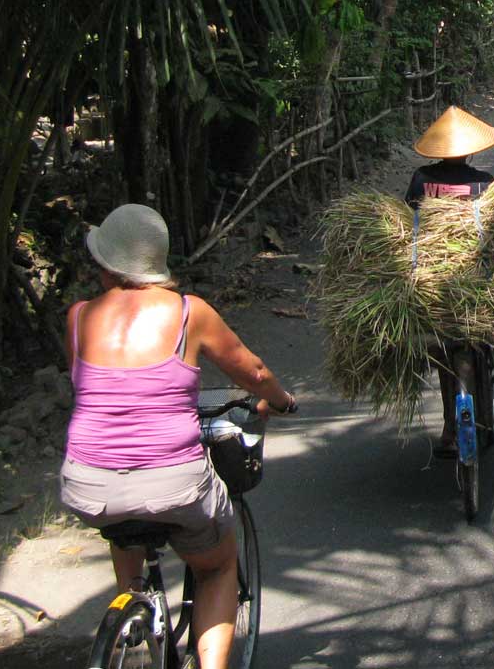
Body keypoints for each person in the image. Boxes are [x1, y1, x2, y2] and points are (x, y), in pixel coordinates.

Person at [61, 203, 298, 669]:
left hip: (85, 481)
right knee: (216, 567)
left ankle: (131, 608)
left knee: (121, 510)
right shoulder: (190, 313)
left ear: (107, 265)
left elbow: (102, 391)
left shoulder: (78, 317)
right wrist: (284, 401)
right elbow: (252, 371)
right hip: (172, 480)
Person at [405, 107, 494, 457]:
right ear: (470, 150)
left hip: (430, 273)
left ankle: (448, 428)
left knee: (445, 350)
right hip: (476, 275)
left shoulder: (419, 179)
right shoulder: (484, 181)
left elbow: (409, 211)